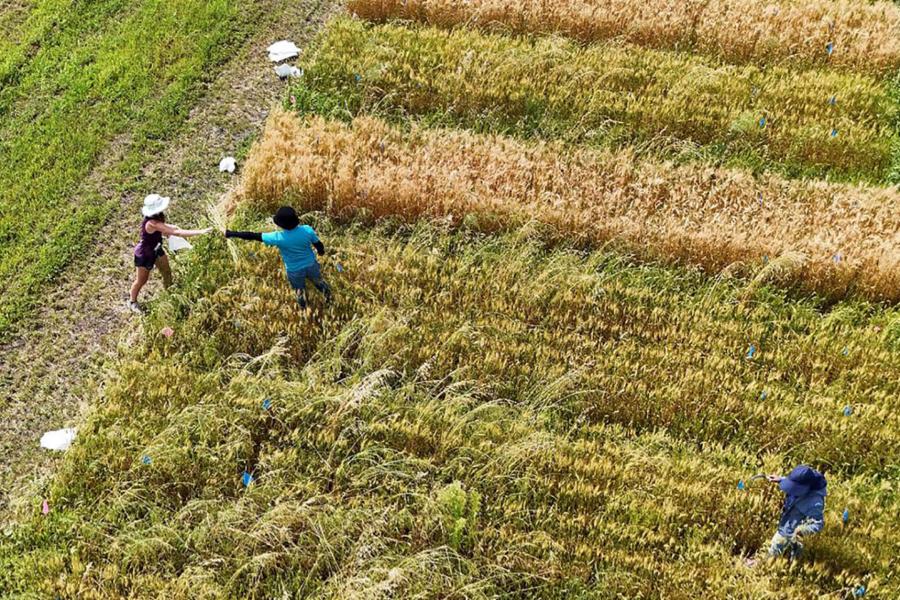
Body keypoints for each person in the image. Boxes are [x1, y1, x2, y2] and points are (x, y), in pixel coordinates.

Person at [225, 206, 332, 310]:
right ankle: (329, 298)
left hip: (294, 270)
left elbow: (252, 235)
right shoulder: (307, 230)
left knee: (299, 289)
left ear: (281, 224)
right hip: (311, 264)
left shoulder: (278, 237)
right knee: (318, 281)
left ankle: (303, 308)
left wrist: (231, 233)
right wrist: (321, 252)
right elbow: (318, 244)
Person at [128, 194, 212, 313]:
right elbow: (176, 232)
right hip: (145, 254)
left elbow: (170, 228)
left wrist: (172, 229)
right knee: (142, 280)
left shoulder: (158, 219)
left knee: (167, 272)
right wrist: (201, 232)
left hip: (157, 250)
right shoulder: (152, 223)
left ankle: (171, 293)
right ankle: (132, 301)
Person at [764, 465, 827, 560]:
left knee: (791, 554)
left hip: (794, 532)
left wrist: (801, 530)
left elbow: (818, 524)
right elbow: (797, 482)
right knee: (774, 549)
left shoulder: (815, 503)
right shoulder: (805, 481)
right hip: (788, 521)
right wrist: (781, 479)